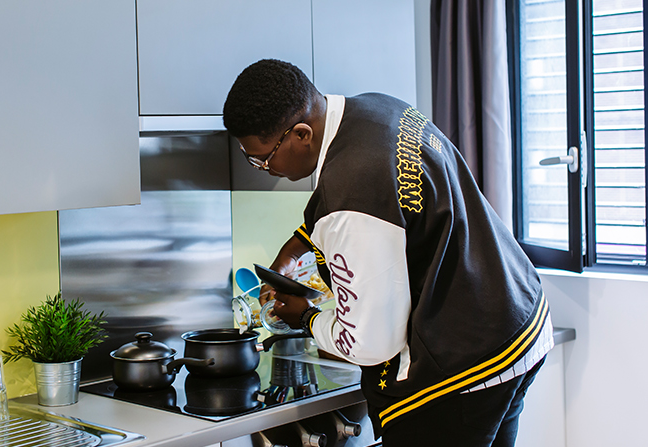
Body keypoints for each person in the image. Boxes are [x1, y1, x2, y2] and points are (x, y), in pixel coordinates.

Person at [222, 59, 554, 446]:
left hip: (463, 365)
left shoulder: (351, 194)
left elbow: (369, 343)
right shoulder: (374, 110)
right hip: (517, 322)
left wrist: (306, 318)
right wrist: (290, 254)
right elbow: (390, 206)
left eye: (263, 157)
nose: (263, 168)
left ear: (301, 134)